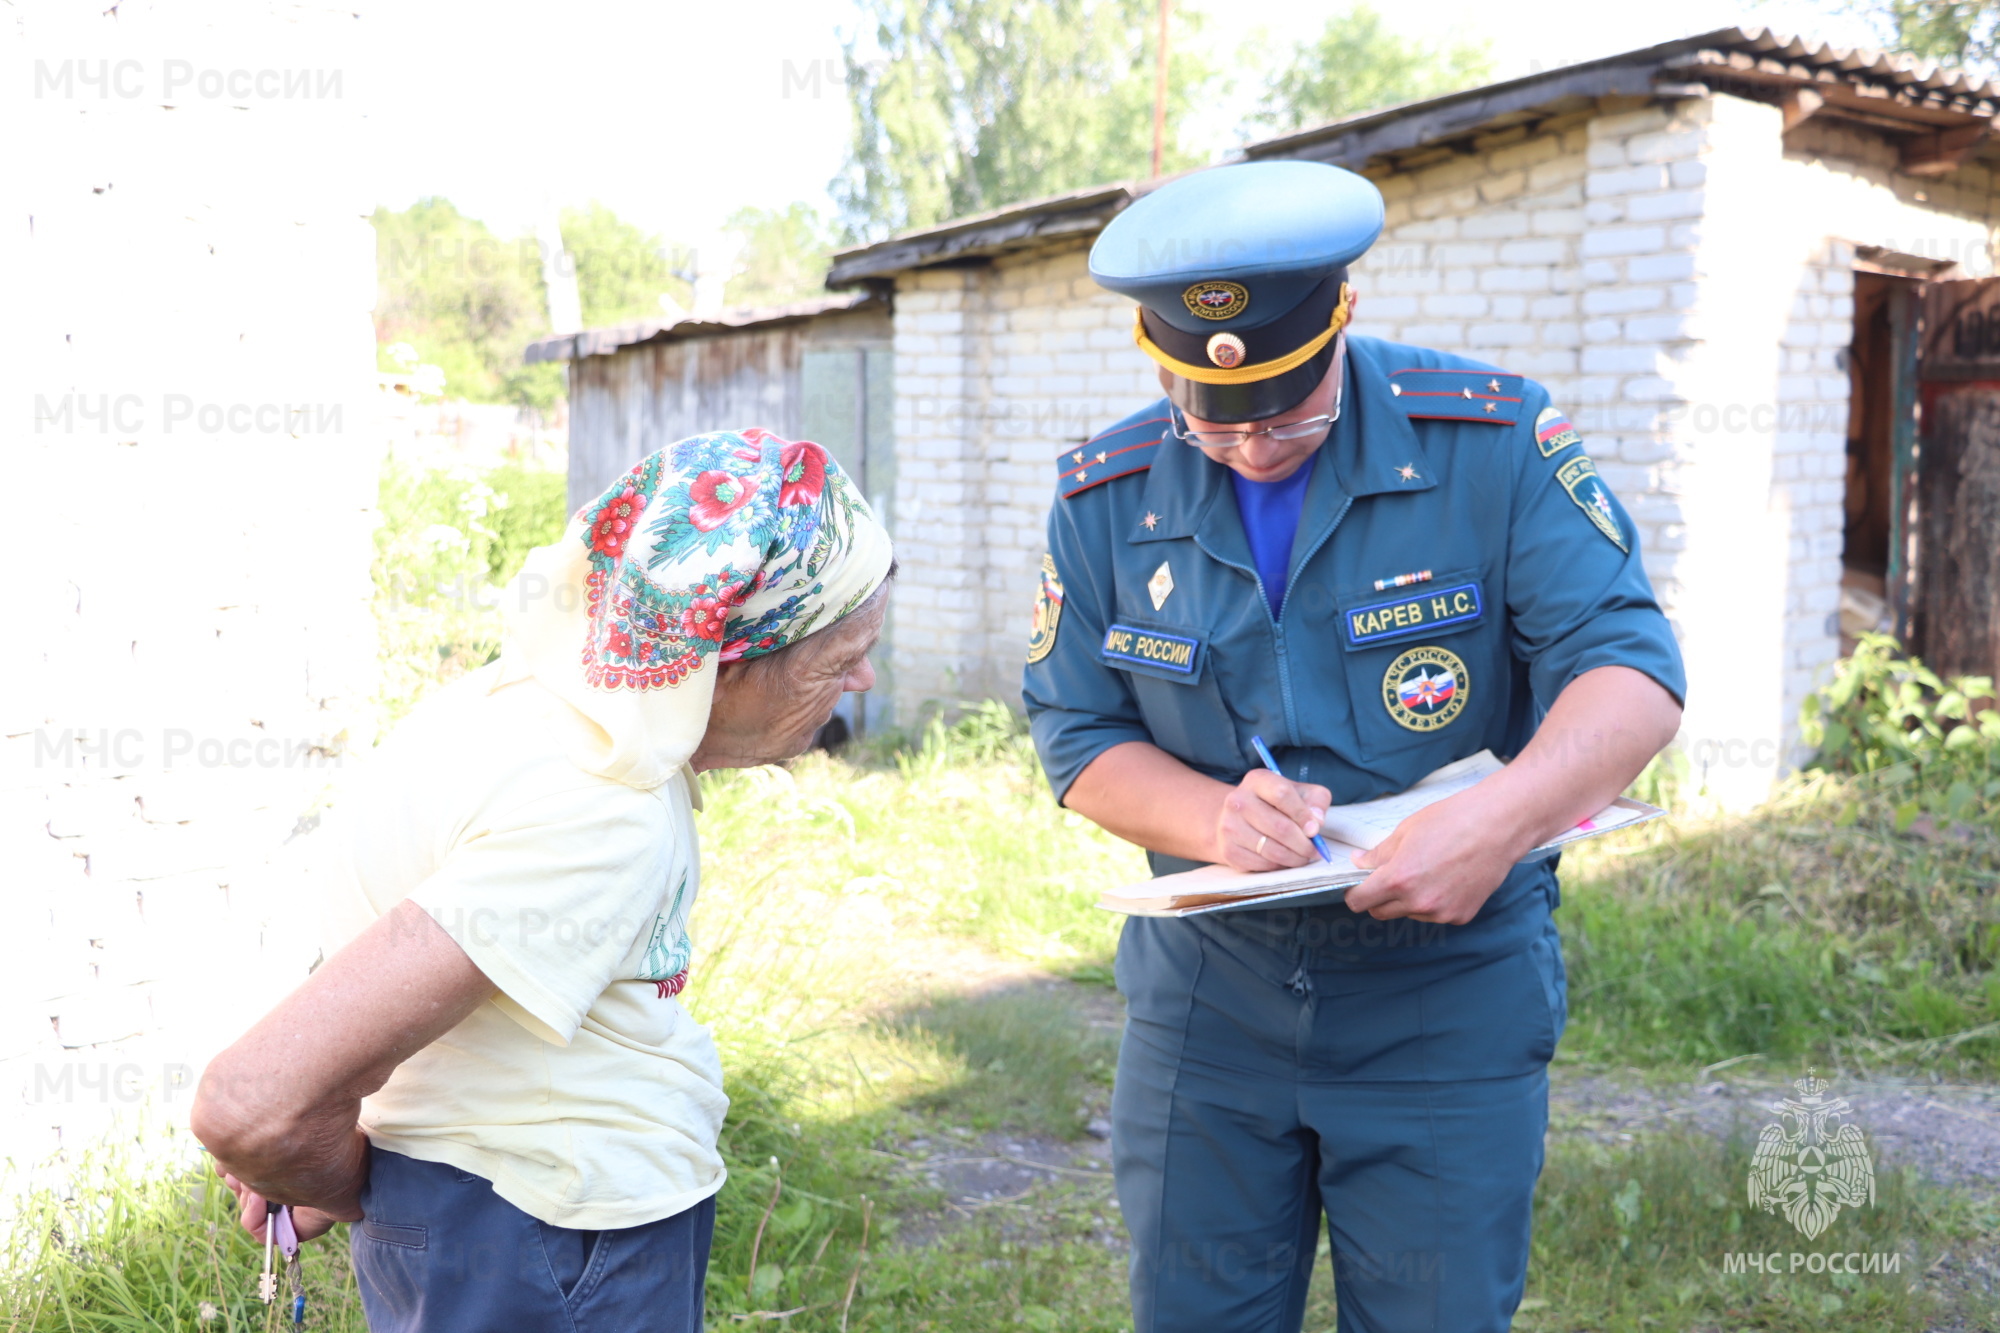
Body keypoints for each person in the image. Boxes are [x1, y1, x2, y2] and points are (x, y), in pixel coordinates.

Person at [1022, 159, 1685, 1332]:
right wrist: (1206, 819)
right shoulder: (1102, 496)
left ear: (1342, 317)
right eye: (1211, 420)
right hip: (1207, 1011)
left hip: (1446, 992)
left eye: (1289, 410)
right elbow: (1077, 728)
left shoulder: (1492, 441)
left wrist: (1502, 820)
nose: (1253, 446)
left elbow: (1630, 672)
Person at [192, 429, 893, 1331]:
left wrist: (365, 1167)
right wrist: (352, 1179)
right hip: (550, 1248)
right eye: (839, 659)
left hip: (495, 1225)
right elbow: (254, 1100)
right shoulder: (600, 813)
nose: (864, 679)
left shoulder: (529, 710)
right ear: (728, 660)